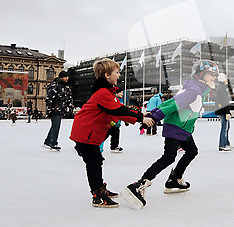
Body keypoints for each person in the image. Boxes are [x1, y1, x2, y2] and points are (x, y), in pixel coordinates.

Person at [122, 60, 219, 209]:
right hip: (175, 126)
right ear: (201, 74)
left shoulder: (197, 88)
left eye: (215, 74)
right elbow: (173, 105)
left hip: (184, 128)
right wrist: (154, 117)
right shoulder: (194, 90)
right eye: (211, 74)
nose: (214, 77)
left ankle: (175, 179)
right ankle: (139, 184)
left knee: (192, 151)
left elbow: (170, 101)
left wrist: (153, 112)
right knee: (168, 157)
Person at [70, 58, 153, 208]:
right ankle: (97, 195)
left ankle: (100, 188)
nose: (119, 75)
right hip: (85, 133)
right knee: (93, 163)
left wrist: (138, 116)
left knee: (97, 161)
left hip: (88, 133)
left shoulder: (106, 92)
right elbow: (118, 110)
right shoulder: (103, 93)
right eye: (117, 72)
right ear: (107, 75)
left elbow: (118, 110)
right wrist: (141, 118)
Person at [43, 70, 74, 151]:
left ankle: (47, 142)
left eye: (67, 77)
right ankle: (53, 143)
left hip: (61, 109)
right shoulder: (55, 86)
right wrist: (49, 109)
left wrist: (70, 107)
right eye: (65, 77)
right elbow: (49, 98)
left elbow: (69, 98)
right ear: (61, 77)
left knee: (54, 126)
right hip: (55, 109)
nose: (67, 78)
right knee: (56, 126)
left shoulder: (66, 87)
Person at [100, 88, 126, 153]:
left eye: (122, 92)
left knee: (116, 134)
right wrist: (111, 120)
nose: (122, 94)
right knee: (105, 134)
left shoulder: (120, 100)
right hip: (111, 121)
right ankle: (99, 146)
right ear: (116, 93)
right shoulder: (113, 99)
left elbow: (123, 111)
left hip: (117, 121)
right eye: (120, 92)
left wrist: (125, 120)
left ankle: (114, 146)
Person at [215, 73, 232, 151]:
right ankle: (222, 145)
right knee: (224, 127)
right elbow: (224, 101)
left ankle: (226, 142)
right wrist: (227, 112)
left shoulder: (221, 87)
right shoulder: (222, 88)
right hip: (223, 111)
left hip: (222, 110)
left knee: (227, 127)